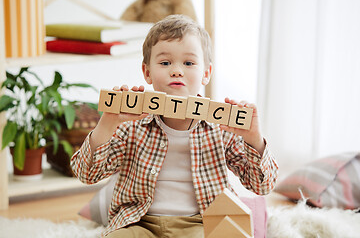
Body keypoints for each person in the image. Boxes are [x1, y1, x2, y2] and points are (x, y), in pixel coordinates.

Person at [71, 14, 278, 238]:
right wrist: (108, 123)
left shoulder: (221, 129)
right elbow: (86, 174)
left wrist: (254, 139)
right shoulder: (130, 125)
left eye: (188, 63)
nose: (176, 70)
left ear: (206, 73)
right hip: (139, 222)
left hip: (200, 223)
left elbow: (261, 186)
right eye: (165, 63)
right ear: (147, 72)